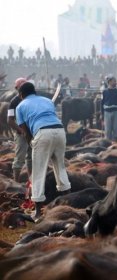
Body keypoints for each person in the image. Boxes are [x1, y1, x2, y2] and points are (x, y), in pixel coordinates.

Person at [16, 81, 70, 219]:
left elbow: (25, 130)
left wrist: (31, 143)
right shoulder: (47, 100)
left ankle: (38, 211)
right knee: (60, 167)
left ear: (21, 94)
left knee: (38, 172)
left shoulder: (20, 106)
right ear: (34, 91)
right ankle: (68, 204)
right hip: (59, 131)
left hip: (42, 133)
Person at [7, 78, 32, 182]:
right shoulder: (14, 102)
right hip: (21, 133)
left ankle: (31, 180)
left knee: (31, 157)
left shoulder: (31, 100)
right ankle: (15, 181)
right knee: (19, 159)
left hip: (32, 132)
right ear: (17, 88)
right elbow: (10, 120)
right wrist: (21, 131)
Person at [101, 75, 117, 141]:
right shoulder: (105, 92)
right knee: (108, 129)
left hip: (116, 111)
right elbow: (102, 103)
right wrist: (102, 113)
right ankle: (108, 142)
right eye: (114, 81)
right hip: (107, 112)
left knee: (116, 128)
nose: (115, 82)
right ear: (109, 82)